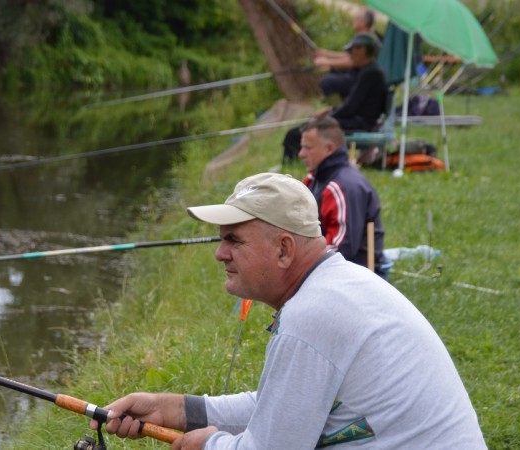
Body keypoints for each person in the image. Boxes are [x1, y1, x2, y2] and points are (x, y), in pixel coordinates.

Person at [92, 173, 486, 449]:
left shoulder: (314, 313)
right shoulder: (334, 286)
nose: (219, 253)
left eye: (233, 240)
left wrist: (209, 446)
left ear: (283, 249)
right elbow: (280, 409)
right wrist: (171, 408)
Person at [298, 116, 387, 277]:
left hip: (356, 278)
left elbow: (341, 251)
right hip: (325, 269)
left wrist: (296, 263)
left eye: (307, 148)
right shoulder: (315, 179)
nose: (301, 154)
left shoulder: (342, 187)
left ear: (329, 148)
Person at [283, 32, 387, 164]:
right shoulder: (371, 71)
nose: (350, 55)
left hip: (359, 124)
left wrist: (327, 117)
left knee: (295, 133)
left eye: (352, 51)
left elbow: (350, 107)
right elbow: (352, 104)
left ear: (363, 50)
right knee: (301, 129)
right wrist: (330, 110)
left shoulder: (370, 73)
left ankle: (290, 164)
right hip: (359, 120)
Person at [314, 7, 379, 102]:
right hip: (358, 74)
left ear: (364, 23)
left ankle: (337, 108)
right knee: (334, 70)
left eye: (357, 19)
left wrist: (327, 62)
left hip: (361, 78)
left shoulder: (366, 40)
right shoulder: (362, 35)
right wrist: (327, 54)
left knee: (327, 82)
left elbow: (353, 62)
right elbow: (349, 55)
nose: (353, 20)